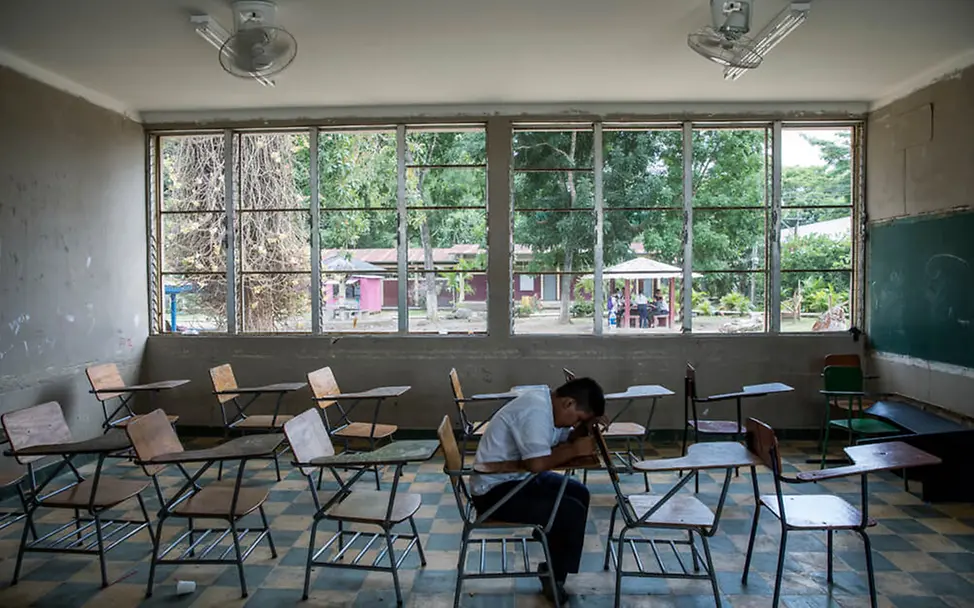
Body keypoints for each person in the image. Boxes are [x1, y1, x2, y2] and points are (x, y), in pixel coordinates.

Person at [470, 378, 606, 605]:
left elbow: (560, 440)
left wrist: (585, 428)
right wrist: (574, 450)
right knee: (569, 510)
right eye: (578, 419)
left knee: (579, 492)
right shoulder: (535, 411)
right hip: (493, 493)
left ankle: (553, 555)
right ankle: (554, 576)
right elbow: (537, 464)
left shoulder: (547, 403)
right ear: (568, 403)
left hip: (515, 478)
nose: (575, 425)